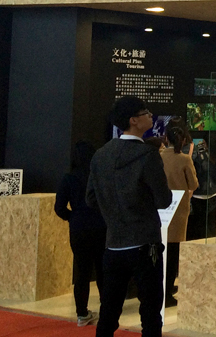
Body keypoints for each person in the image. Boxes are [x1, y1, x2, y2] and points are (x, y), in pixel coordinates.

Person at [87, 96, 173, 337]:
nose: (151, 115)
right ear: (133, 120)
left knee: (109, 311)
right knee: (150, 313)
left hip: (113, 244)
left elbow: (91, 198)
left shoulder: (101, 155)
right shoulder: (147, 155)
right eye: (146, 112)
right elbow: (163, 199)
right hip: (145, 244)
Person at [55, 141, 107, 327]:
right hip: (101, 225)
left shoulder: (69, 178)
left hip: (79, 228)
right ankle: (107, 309)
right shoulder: (100, 175)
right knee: (103, 270)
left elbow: (59, 208)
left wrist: (72, 217)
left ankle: (82, 313)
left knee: (82, 273)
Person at [160, 124, 199, 307]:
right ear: (183, 141)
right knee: (174, 253)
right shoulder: (184, 159)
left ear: (166, 138)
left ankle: (162, 290)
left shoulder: (159, 157)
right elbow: (194, 184)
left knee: (161, 252)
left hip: (160, 210)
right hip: (179, 211)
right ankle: (168, 292)